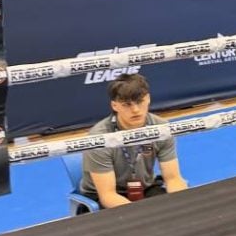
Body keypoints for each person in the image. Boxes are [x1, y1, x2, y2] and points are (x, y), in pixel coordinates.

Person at [79, 73, 188, 208]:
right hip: (102, 197)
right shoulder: (99, 138)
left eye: (139, 102)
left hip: (145, 189)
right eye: (127, 105)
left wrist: (181, 204)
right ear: (115, 106)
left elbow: (173, 179)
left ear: (148, 99)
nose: (135, 110)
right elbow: (108, 195)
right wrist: (144, 215)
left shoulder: (162, 128)